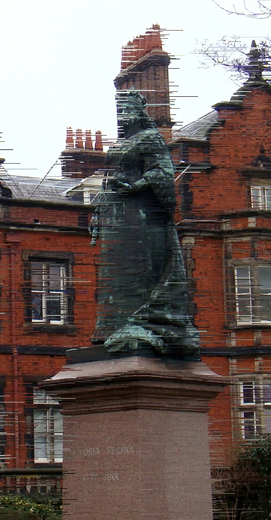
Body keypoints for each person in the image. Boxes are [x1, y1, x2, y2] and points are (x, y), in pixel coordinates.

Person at [91, 91, 200, 359]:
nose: (122, 115)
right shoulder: (123, 142)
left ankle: (145, 323)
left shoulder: (151, 138)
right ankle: (114, 327)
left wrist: (136, 186)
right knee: (117, 274)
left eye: (127, 109)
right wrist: (99, 211)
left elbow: (162, 172)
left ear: (140, 112)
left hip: (141, 214)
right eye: (119, 111)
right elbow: (107, 180)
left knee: (140, 270)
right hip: (117, 215)